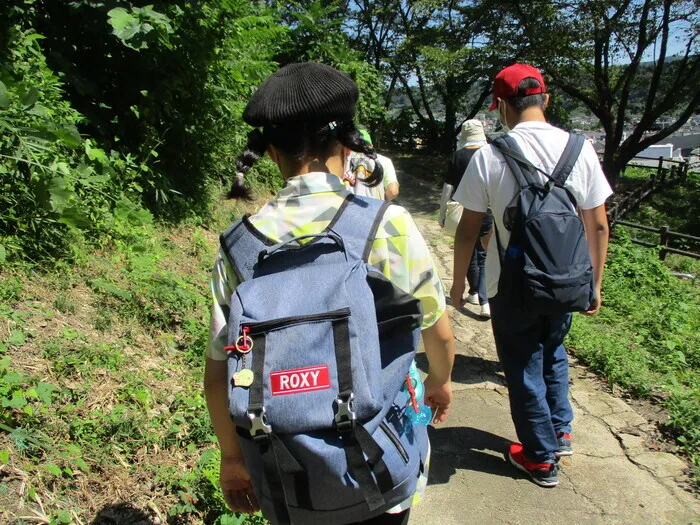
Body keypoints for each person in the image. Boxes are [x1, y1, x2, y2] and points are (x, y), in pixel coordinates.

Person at [204, 63, 455, 524]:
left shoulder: (238, 246)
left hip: (288, 474)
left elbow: (218, 373)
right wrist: (439, 381)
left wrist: (232, 459)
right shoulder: (386, 225)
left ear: (272, 152)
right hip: (381, 462)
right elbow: (437, 330)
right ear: (347, 143)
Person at [450, 64, 612, 487]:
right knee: (553, 351)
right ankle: (560, 433)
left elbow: (469, 230)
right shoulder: (582, 149)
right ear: (546, 99)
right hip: (567, 279)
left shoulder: (489, 155)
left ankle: (540, 459)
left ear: (499, 105)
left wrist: (456, 287)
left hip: (512, 285)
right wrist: (593, 284)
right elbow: (597, 225)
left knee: (523, 364)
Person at [438, 119, 493, 318]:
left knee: (467, 249)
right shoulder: (491, 153)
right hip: (488, 212)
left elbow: (448, 188)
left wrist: (442, 214)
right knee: (484, 254)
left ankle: (474, 292)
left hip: (465, 210)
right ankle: (486, 302)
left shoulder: (458, 156)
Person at [344, 129, 400, 201]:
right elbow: (393, 191)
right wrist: (383, 200)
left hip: (346, 208)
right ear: (371, 146)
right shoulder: (384, 161)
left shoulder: (343, 160)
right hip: (375, 209)